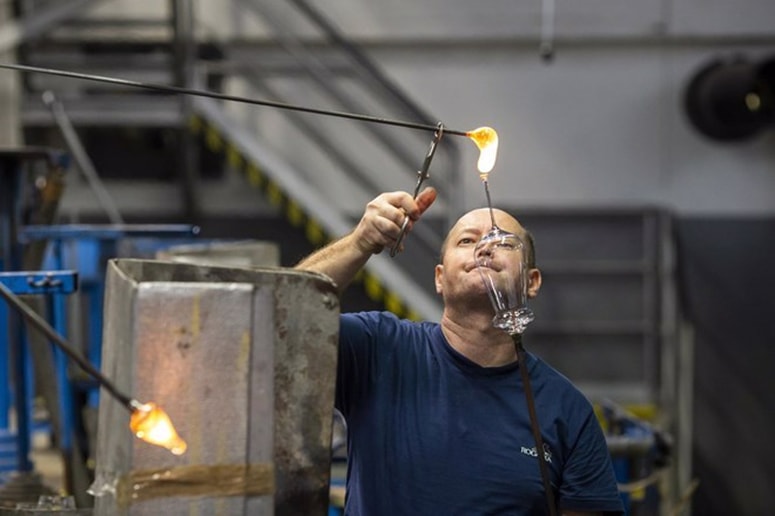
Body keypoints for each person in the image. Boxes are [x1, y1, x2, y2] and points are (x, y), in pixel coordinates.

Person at [295, 187, 624, 516]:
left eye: (504, 243)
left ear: (531, 282)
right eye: (467, 241)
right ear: (440, 278)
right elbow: (284, 318)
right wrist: (358, 243)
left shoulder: (566, 411)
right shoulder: (380, 348)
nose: (484, 248)